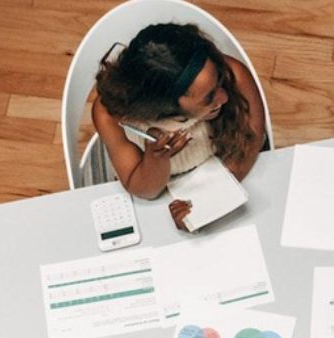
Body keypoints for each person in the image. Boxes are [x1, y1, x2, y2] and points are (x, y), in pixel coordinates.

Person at [92, 22, 267, 229]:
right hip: (162, 195)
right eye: (209, 97)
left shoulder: (234, 73)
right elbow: (145, 191)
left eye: (219, 80)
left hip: (228, 173)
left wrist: (209, 202)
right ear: (165, 109)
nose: (225, 96)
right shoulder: (109, 117)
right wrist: (156, 159)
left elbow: (250, 142)